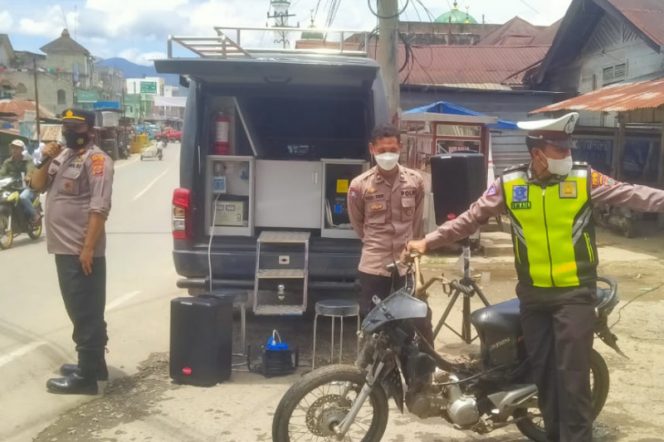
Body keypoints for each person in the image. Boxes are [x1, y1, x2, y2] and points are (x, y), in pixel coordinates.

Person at [407, 112, 664, 441]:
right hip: (532, 297)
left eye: (568, 149)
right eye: (559, 151)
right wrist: (427, 241)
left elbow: (633, 194)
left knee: (572, 382)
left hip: (574, 295)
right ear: (537, 153)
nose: (566, 156)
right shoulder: (510, 184)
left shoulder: (584, 179)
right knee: (543, 377)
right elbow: (469, 220)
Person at [30, 108, 114, 395]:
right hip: (64, 249)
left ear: (90, 130)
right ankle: (95, 365)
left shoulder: (98, 160)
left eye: (75, 128)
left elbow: (99, 208)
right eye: (66, 127)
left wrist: (88, 248)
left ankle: (86, 378)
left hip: (80, 250)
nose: (69, 132)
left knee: (84, 311)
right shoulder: (63, 156)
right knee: (83, 309)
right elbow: (37, 185)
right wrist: (46, 157)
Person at [347, 124, 426, 314]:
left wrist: (411, 247)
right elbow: (358, 224)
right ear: (371, 149)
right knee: (373, 323)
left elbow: (417, 222)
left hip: (406, 266)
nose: (388, 155)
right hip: (374, 265)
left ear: (400, 148)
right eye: (382, 150)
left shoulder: (415, 181)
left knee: (415, 320)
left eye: (393, 150)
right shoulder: (359, 185)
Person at [0, 139, 39, 223]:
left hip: (27, 187)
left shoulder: (28, 160)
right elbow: (2, 173)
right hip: (12, 187)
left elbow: (30, 169)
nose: (14, 150)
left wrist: (28, 176)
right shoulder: (7, 162)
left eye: (17, 148)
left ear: (22, 150)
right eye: (13, 147)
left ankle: (35, 215)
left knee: (23, 197)